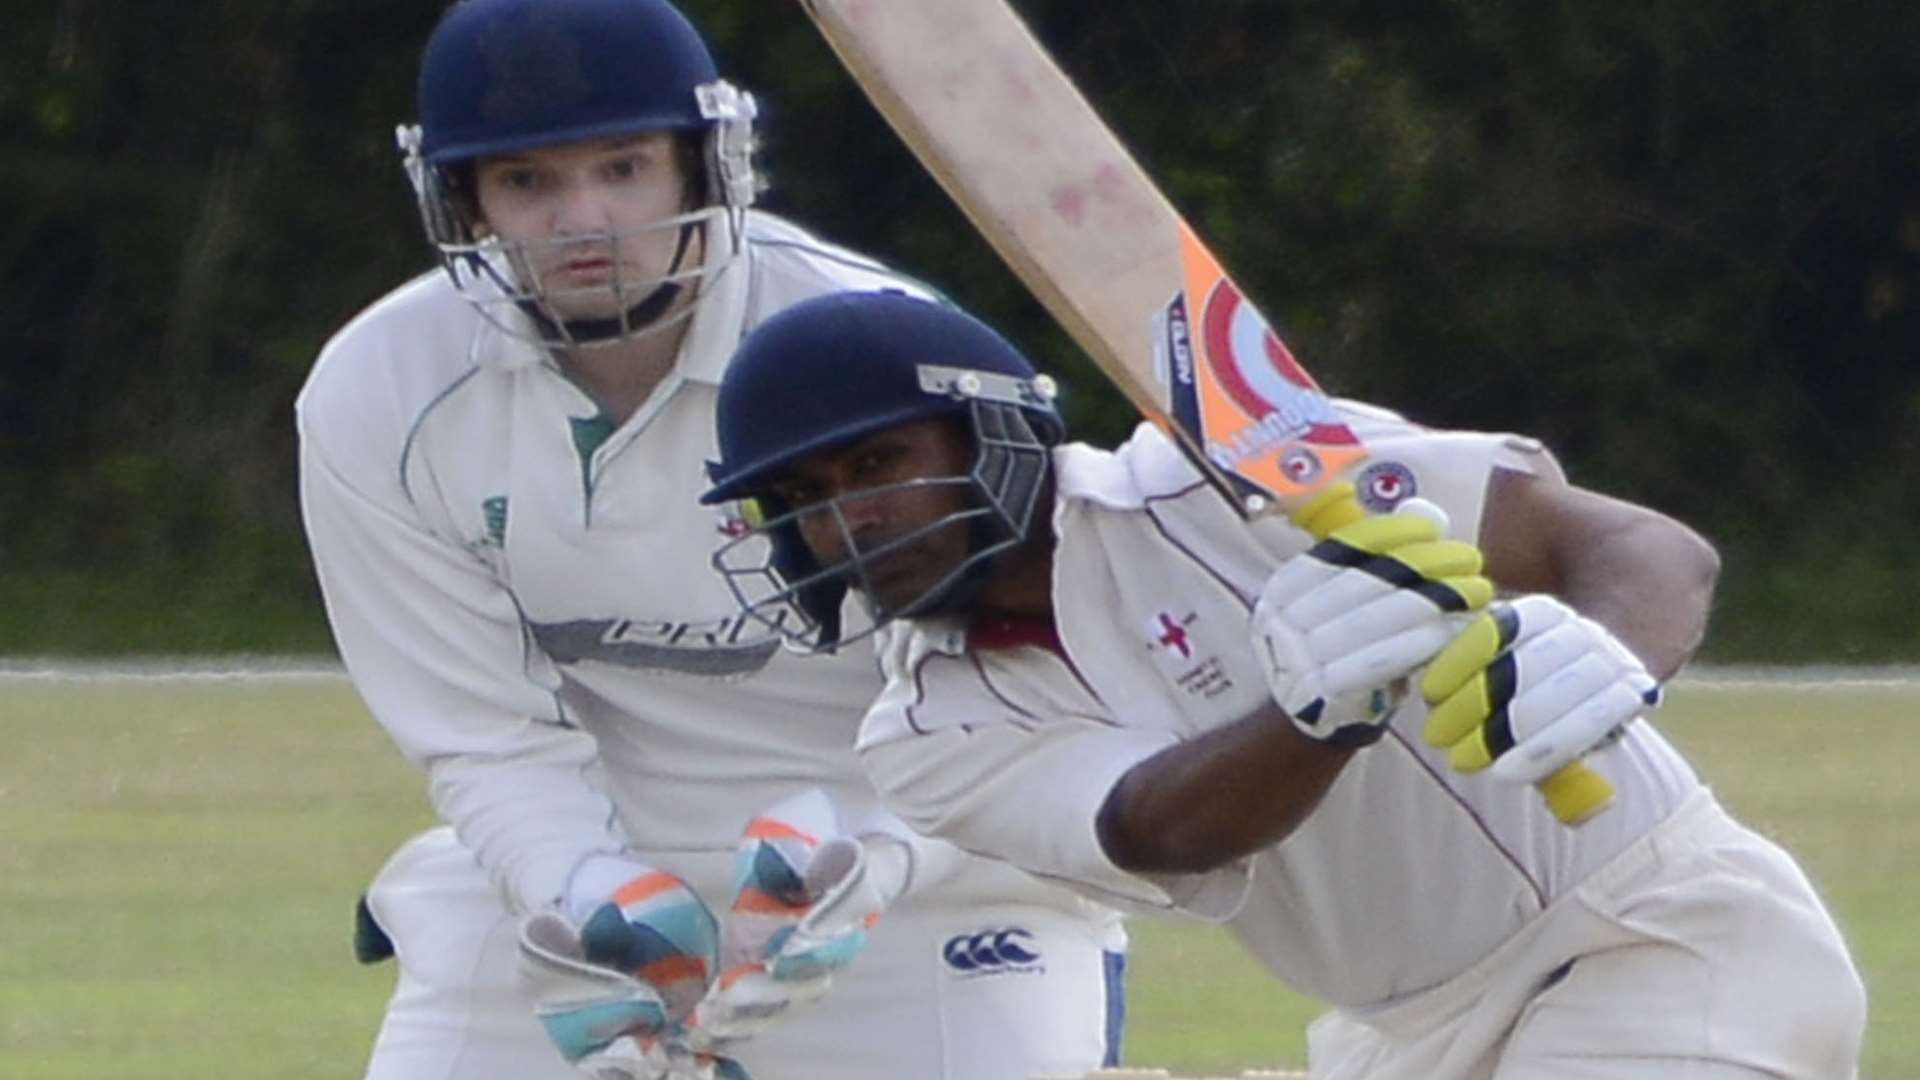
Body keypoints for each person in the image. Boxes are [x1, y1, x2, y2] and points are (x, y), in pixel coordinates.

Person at [699, 290, 1868, 1080]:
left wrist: (1609, 652)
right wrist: (1322, 715)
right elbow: (1160, 827)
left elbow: (1642, 549)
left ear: (988, 430)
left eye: (877, 464)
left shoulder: (1225, 467)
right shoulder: (924, 728)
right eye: (801, 495)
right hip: (1400, 1037)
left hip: (1662, 933)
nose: (847, 517)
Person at [296, 2, 1124, 1078]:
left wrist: (872, 842)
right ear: (464, 199)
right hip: (582, 896)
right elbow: (479, 733)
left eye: (625, 168)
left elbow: (1032, 679)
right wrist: (582, 891)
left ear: (702, 162)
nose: (583, 221)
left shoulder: (873, 350)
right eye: (529, 182)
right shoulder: (381, 389)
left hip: (941, 874)